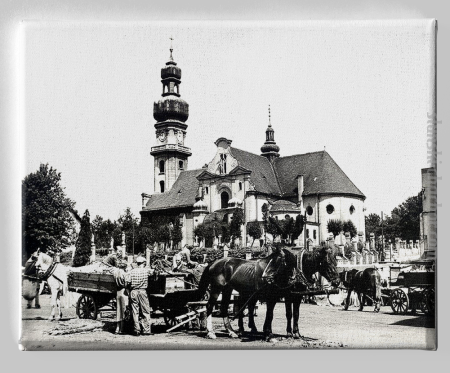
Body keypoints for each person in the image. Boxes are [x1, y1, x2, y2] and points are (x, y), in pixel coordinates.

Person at [126, 256, 155, 336]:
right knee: (145, 311)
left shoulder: (131, 272)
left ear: (137, 263)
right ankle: (146, 330)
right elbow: (153, 273)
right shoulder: (146, 271)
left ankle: (137, 330)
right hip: (142, 291)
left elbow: (127, 282)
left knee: (135, 311)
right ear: (143, 263)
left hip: (133, 291)